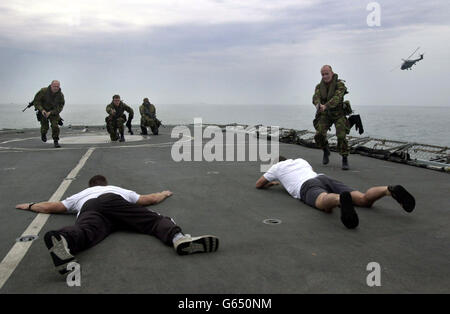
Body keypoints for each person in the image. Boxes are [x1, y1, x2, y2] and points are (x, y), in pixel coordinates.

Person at [16, 175, 219, 275]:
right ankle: (179, 239)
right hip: (113, 202)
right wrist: (164, 193)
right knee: (153, 220)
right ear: (104, 183)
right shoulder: (115, 188)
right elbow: (148, 200)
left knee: (85, 231)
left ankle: (63, 238)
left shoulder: (81, 195)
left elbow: (53, 206)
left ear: (91, 186)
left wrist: (31, 205)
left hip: (90, 208)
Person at [255, 156, 415, 229]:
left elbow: (259, 184)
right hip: (322, 178)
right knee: (363, 199)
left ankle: (339, 200)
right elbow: (309, 172)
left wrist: (273, 182)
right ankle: (388, 190)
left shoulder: (276, 167)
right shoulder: (300, 161)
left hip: (306, 186)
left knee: (323, 201)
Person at [312, 65, 351, 170]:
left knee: (341, 136)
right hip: (326, 114)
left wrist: (326, 106)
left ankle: (344, 158)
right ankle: (325, 150)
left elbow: (337, 98)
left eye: (326, 74)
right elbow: (315, 97)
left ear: (332, 73)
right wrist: (318, 105)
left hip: (339, 114)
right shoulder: (319, 87)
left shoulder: (340, 85)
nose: (325, 76)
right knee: (318, 134)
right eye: (323, 74)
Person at [32, 80, 65, 148]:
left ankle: (56, 141)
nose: (56, 88)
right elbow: (36, 102)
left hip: (53, 112)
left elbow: (60, 106)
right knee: (45, 126)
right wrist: (42, 110)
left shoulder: (60, 95)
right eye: (54, 86)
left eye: (57, 86)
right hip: (43, 111)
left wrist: (52, 112)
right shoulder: (43, 91)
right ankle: (43, 134)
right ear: (51, 85)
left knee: (55, 126)